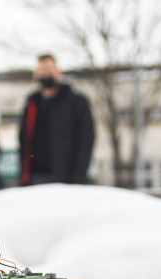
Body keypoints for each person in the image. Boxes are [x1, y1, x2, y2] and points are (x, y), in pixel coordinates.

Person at [19, 54, 95, 186]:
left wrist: (78, 177)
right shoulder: (32, 103)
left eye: (49, 70)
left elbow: (86, 140)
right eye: (42, 71)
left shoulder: (76, 102)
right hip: (36, 177)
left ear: (58, 72)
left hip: (66, 177)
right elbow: (24, 140)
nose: (45, 75)